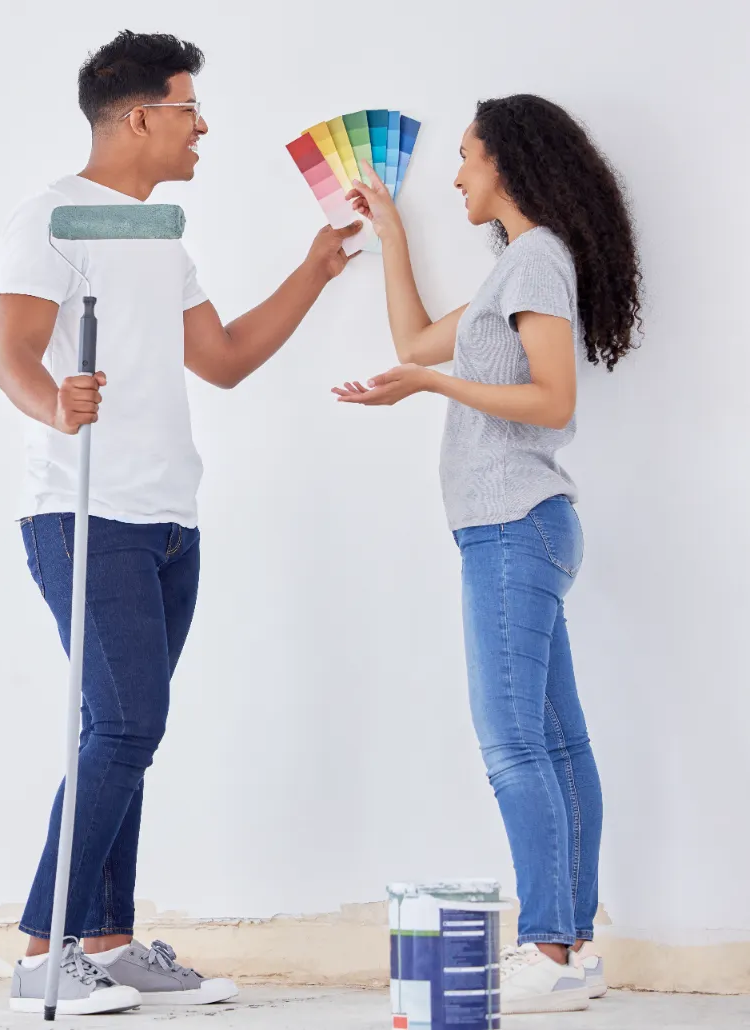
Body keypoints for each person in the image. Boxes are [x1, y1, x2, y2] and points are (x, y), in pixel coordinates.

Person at [0, 30, 361, 1015]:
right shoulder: (51, 218)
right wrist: (53, 403)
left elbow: (227, 355)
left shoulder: (158, 235)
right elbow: (14, 357)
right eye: (192, 109)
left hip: (166, 519)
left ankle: (107, 944)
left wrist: (317, 269)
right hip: (83, 511)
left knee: (126, 733)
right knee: (123, 721)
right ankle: (43, 947)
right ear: (142, 115)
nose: (205, 128)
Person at [334, 95, 642, 1015]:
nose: (458, 176)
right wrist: (390, 232)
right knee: (555, 741)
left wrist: (432, 383)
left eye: (465, 158)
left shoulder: (539, 259)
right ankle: (573, 948)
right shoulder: (521, 265)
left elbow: (552, 401)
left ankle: (549, 942)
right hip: (511, 528)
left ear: (505, 161)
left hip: (516, 524)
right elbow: (413, 342)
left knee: (515, 746)